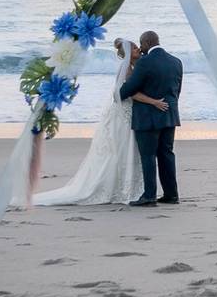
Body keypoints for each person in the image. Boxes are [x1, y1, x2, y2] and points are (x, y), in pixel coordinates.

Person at [33, 38, 169, 206]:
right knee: (121, 149)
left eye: (137, 47)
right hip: (124, 114)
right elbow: (126, 93)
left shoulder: (136, 67)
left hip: (131, 114)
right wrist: (154, 101)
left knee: (129, 149)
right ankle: (121, 188)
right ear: (127, 54)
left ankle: (135, 187)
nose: (139, 50)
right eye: (135, 48)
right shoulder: (127, 68)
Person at [119, 30, 183, 207]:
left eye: (141, 45)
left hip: (147, 117)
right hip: (169, 114)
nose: (140, 48)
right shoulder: (176, 61)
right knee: (167, 154)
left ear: (146, 43)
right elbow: (177, 90)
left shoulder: (145, 62)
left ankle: (149, 196)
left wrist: (120, 91)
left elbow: (130, 88)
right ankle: (171, 194)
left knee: (148, 156)